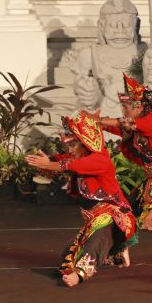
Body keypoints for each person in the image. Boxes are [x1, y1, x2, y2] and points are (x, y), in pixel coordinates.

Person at [25, 112, 137, 286]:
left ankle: (80, 275)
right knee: (67, 254)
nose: (69, 150)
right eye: (68, 144)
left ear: (85, 144)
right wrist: (46, 162)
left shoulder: (99, 160)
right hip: (94, 218)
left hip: (114, 215)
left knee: (95, 243)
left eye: (73, 145)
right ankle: (117, 252)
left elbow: (70, 165)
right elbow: (61, 160)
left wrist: (49, 164)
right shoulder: (80, 155)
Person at [84, 75, 152, 233]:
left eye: (127, 107)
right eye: (123, 106)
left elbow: (121, 123)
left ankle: (151, 218)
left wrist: (100, 121)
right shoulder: (130, 128)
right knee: (128, 207)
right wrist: (95, 121)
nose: (123, 110)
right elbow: (114, 126)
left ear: (139, 107)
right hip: (151, 177)